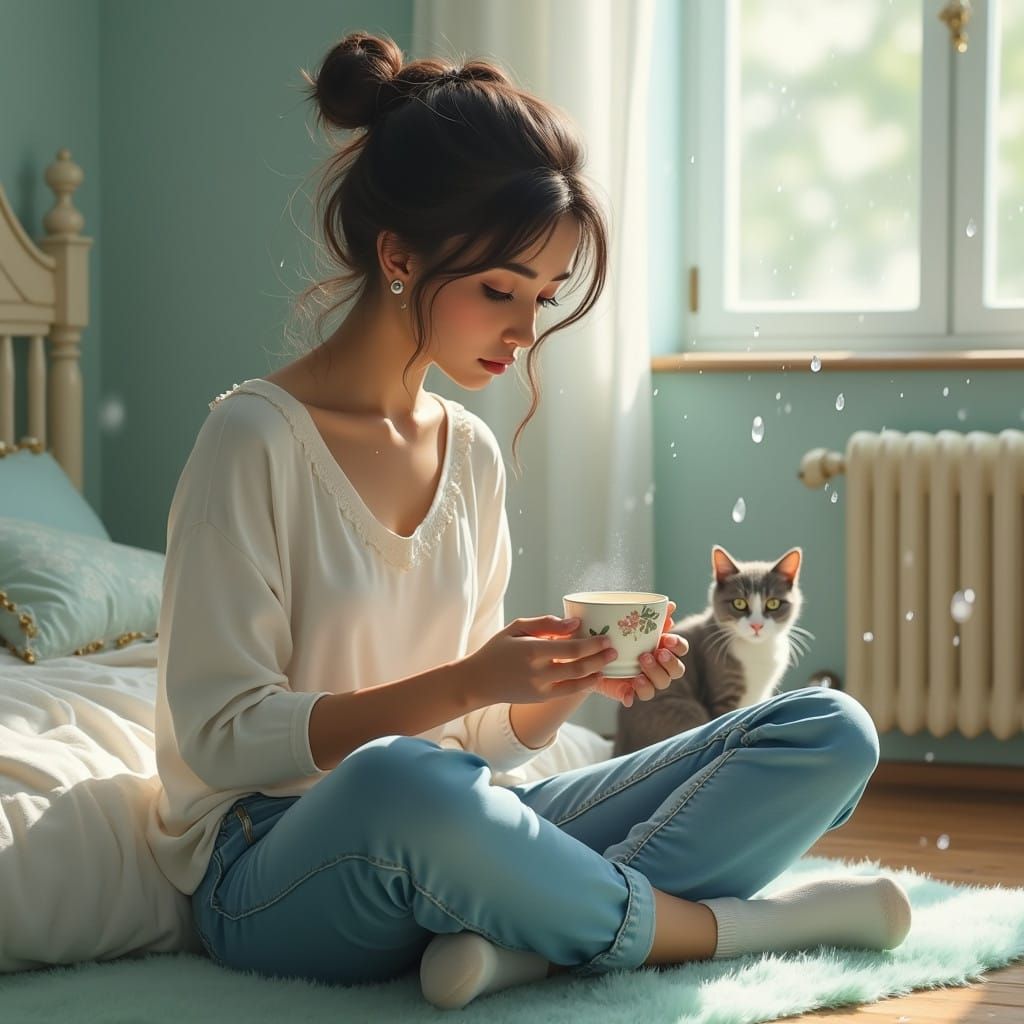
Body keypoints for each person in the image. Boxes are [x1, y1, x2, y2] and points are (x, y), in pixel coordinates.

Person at [144, 30, 911, 1012]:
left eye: (541, 297)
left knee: (826, 730)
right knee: (404, 781)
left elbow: (481, 740)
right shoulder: (250, 439)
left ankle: (530, 939)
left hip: (460, 823)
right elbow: (223, 738)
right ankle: (712, 929)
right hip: (269, 870)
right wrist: (468, 677)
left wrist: (552, 687)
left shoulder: (467, 452)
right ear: (396, 256)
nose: (523, 330)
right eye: (499, 290)